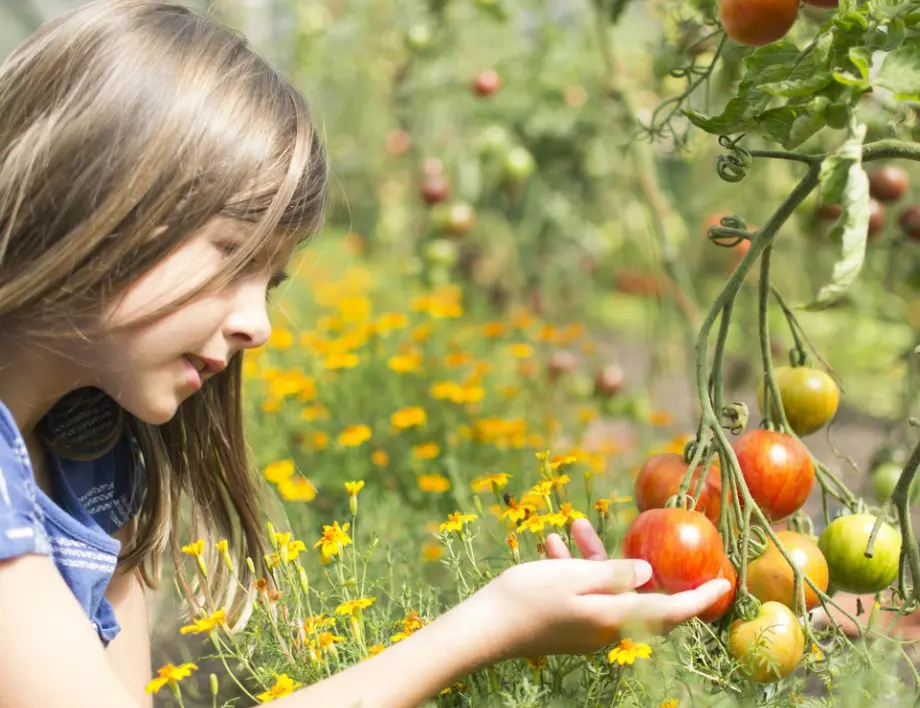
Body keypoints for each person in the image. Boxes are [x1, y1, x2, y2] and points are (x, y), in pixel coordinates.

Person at [0, 2, 732, 707]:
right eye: (230, 254)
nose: (259, 325)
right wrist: (487, 625)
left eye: (271, 281)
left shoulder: (94, 451)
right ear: (97, 196)